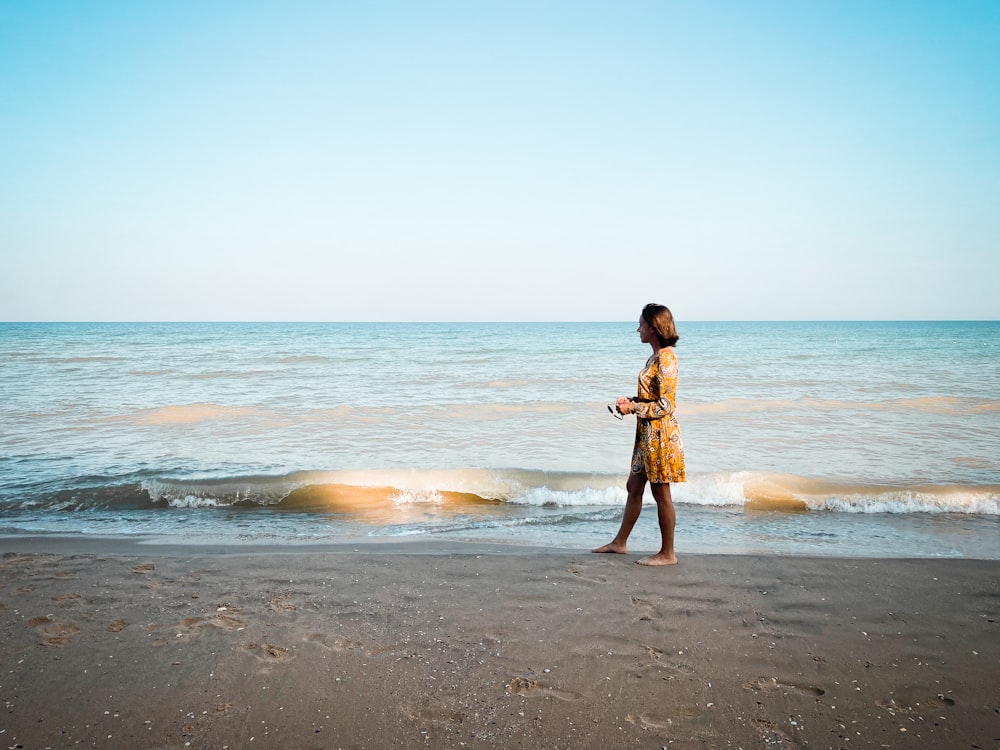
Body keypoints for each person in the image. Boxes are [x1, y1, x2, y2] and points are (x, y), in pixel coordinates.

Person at [593, 303, 686, 565]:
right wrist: (631, 401)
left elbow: (667, 405)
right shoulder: (654, 357)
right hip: (645, 435)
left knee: (661, 493)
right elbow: (652, 398)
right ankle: (619, 543)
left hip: (660, 436)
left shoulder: (666, 359)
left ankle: (668, 554)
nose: (638, 329)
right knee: (633, 486)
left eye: (641, 325)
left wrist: (633, 407)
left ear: (654, 328)